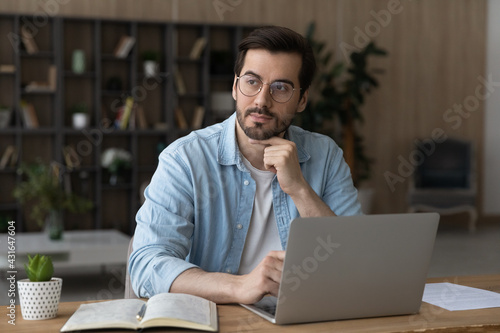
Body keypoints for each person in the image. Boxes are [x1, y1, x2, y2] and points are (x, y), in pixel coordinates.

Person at [129, 25, 362, 304]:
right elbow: (146, 265)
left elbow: (353, 261)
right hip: (216, 319)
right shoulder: (185, 159)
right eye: (252, 82)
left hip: (303, 319)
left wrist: (300, 189)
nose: (262, 101)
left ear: (302, 99)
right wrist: (239, 287)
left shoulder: (326, 156)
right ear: (234, 87)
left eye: (281, 88)